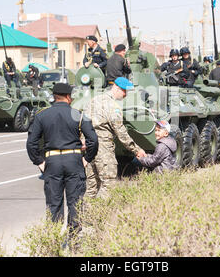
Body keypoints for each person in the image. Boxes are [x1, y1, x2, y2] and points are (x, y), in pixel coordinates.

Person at [26, 83, 99, 235]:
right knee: (75, 204)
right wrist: (87, 159)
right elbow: (93, 140)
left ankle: (54, 243)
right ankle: (74, 242)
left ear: (54, 97)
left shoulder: (41, 115)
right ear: (68, 97)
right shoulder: (77, 115)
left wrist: (39, 162)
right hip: (74, 160)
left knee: (54, 205)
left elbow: (31, 143)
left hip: (52, 162)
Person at [84, 77, 147, 199]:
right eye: (124, 91)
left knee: (91, 187)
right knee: (108, 185)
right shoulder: (113, 107)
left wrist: (84, 143)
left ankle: (86, 216)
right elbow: (121, 132)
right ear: (116, 88)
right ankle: (100, 214)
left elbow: (83, 123)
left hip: (90, 147)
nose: (125, 94)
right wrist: (136, 150)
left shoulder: (93, 101)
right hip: (104, 148)